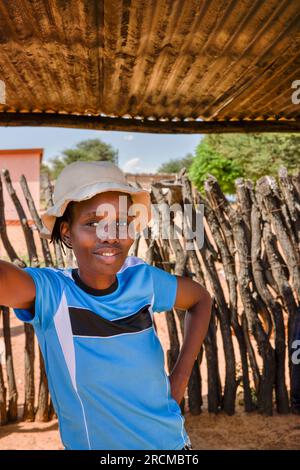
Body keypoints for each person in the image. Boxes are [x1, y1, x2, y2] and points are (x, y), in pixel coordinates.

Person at [0, 161, 212, 450]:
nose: (110, 234)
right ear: (66, 232)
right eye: (91, 223)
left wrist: (180, 378)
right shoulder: (51, 293)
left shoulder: (143, 280)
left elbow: (200, 299)